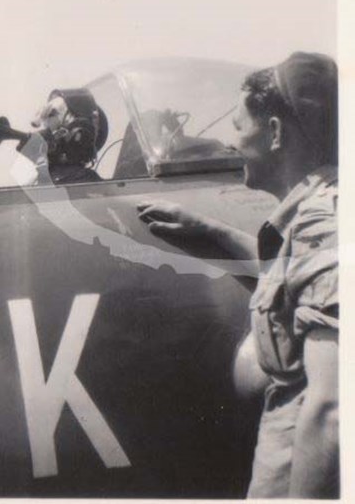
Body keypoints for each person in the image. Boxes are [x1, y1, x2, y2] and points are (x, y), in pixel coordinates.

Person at [136, 52, 339, 498]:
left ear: (274, 132)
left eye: (239, 127)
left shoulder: (323, 224)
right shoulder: (311, 222)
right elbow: (293, 281)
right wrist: (211, 232)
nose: (231, 144)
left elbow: (333, 410)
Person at [0, 87, 108, 186]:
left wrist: (41, 166)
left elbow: (53, 212)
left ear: (79, 136)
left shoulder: (85, 182)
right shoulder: (38, 181)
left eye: (53, 117)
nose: (44, 130)